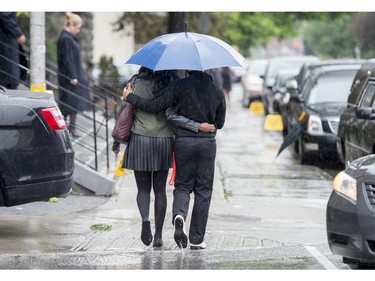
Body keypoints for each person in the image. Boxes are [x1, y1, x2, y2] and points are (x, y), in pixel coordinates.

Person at [123, 70, 226, 250]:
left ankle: (179, 215)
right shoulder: (217, 90)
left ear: (188, 69)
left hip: (183, 142)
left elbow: (158, 107)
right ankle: (196, 238)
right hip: (206, 144)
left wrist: (130, 97)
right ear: (207, 69)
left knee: (183, 186)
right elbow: (220, 122)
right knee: (203, 190)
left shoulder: (178, 86)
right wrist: (203, 125)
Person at [57, 12, 92, 138]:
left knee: (72, 104)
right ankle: (63, 128)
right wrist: (72, 76)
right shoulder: (65, 38)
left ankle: (71, 127)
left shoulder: (69, 37)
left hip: (73, 76)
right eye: (77, 27)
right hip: (69, 78)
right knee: (67, 104)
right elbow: (67, 59)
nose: (78, 30)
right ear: (71, 24)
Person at [0, 12, 26, 89]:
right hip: (6, 41)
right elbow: (4, 15)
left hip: (7, 42)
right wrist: (17, 33)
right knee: (8, 82)